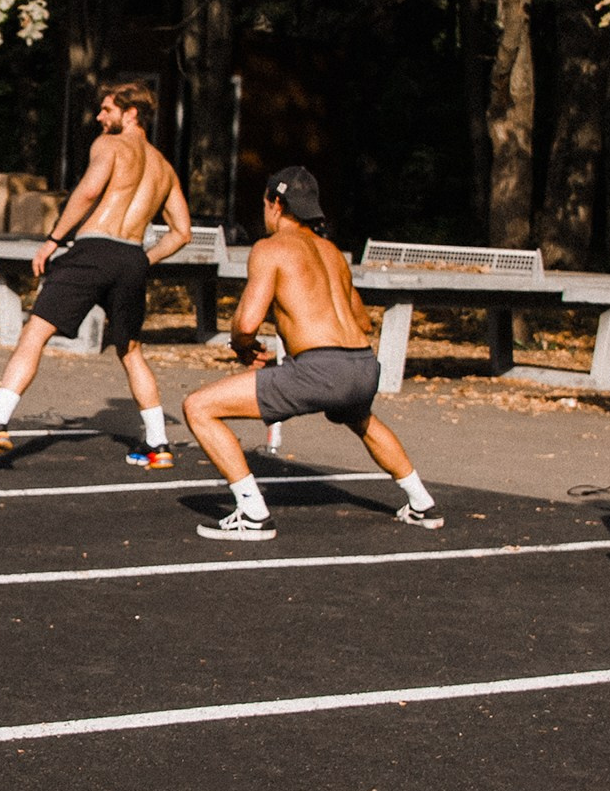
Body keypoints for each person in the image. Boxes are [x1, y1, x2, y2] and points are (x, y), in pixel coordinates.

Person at [179, 168, 443, 539]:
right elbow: (363, 323)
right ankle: (421, 503)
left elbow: (247, 323)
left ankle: (252, 514)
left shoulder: (270, 248)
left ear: (275, 203)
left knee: (198, 407)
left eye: (265, 204)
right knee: (360, 418)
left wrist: (242, 347)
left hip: (320, 370)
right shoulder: (332, 252)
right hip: (363, 366)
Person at [0, 81, 189, 465]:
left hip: (94, 249)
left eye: (107, 109)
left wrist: (53, 240)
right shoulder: (164, 167)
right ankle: (158, 444)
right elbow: (182, 233)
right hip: (131, 257)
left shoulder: (110, 145)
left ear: (131, 113)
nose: (100, 117)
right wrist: (144, 260)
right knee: (131, 351)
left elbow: (89, 191)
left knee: (34, 333)